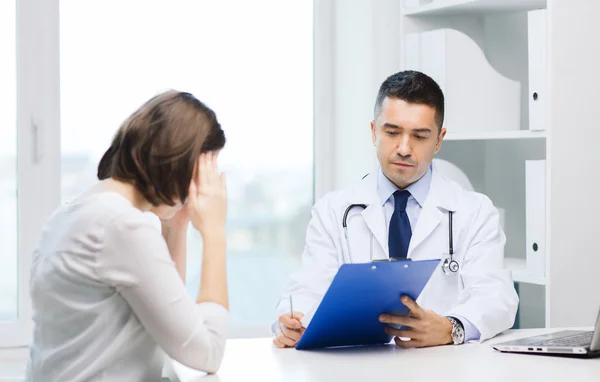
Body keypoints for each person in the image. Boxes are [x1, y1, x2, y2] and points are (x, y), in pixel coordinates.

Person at [273, 70, 519, 349]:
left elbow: (496, 296)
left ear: (439, 140)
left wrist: (452, 327)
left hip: (442, 368)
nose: (404, 148)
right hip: (358, 368)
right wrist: (295, 322)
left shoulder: (475, 212)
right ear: (373, 132)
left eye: (420, 136)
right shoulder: (332, 211)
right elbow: (308, 288)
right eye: (392, 132)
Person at [26, 90, 229, 381]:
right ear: (182, 164)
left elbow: (171, 322)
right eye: (203, 172)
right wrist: (214, 233)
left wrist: (177, 226)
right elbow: (207, 351)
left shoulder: (77, 212)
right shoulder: (119, 224)